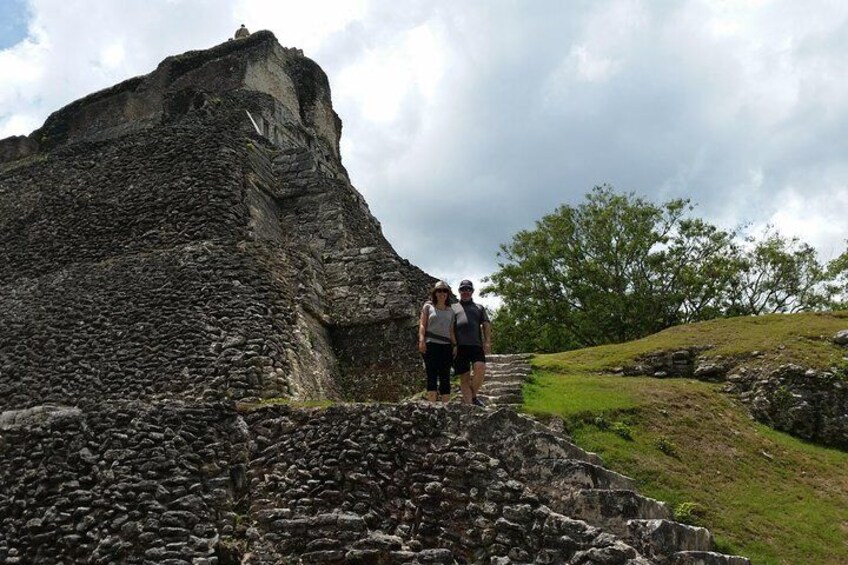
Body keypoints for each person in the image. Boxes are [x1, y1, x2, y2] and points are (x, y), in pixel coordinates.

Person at [452, 279, 491, 406]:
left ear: (472, 291)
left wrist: (487, 342)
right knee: (464, 377)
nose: (465, 292)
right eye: (463, 289)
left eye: (468, 289)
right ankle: (470, 406)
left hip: (476, 345)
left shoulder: (479, 308)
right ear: (459, 291)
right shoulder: (453, 308)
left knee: (480, 369)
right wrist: (453, 345)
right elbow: (450, 328)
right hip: (460, 346)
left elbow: (486, 325)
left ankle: (472, 396)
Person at [418, 281, 457, 403]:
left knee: (445, 376)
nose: (442, 293)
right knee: (432, 374)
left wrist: (455, 345)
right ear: (435, 293)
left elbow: (451, 330)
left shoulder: (451, 311)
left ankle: (446, 407)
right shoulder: (428, 307)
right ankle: (432, 406)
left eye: (445, 291)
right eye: (439, 291)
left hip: (446, 345)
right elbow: (422, 325)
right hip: (431, 343)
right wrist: (421, 340)